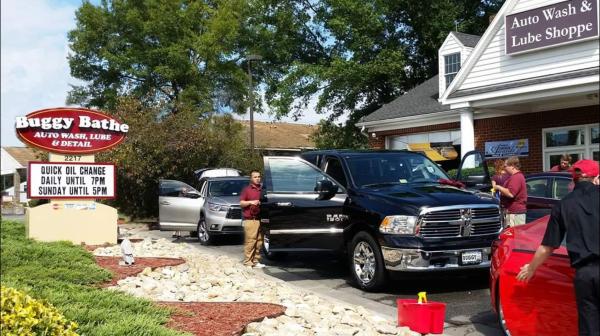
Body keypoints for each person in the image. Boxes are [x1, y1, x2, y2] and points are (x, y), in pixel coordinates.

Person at [517, 159, 599, 336]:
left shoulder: (564, 205)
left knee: (589, 326)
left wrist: (531, 268)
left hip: (585, 275)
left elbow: (548, 246)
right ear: (596, 178)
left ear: (573, 180)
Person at [239, 170, 266, 268]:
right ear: (251, 178)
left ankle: (255, 261)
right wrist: (251, 202)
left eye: (259, 177)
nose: (257, 178)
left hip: (261, 219)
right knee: (250, 241)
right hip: (250, 219)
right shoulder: (247, 190)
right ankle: (247, 262)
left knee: (259, 241)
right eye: (255, 177)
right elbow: (241, 203)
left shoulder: (263, 189)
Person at [494, 156, 527, 227]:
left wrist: (498, 187)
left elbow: (511, 193)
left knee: (514, 236)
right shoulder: (515, 177)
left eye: (505, 166)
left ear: (512, 166)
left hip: (515, 214)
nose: (504, 168)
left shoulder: (516, 177)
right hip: (513, 213)